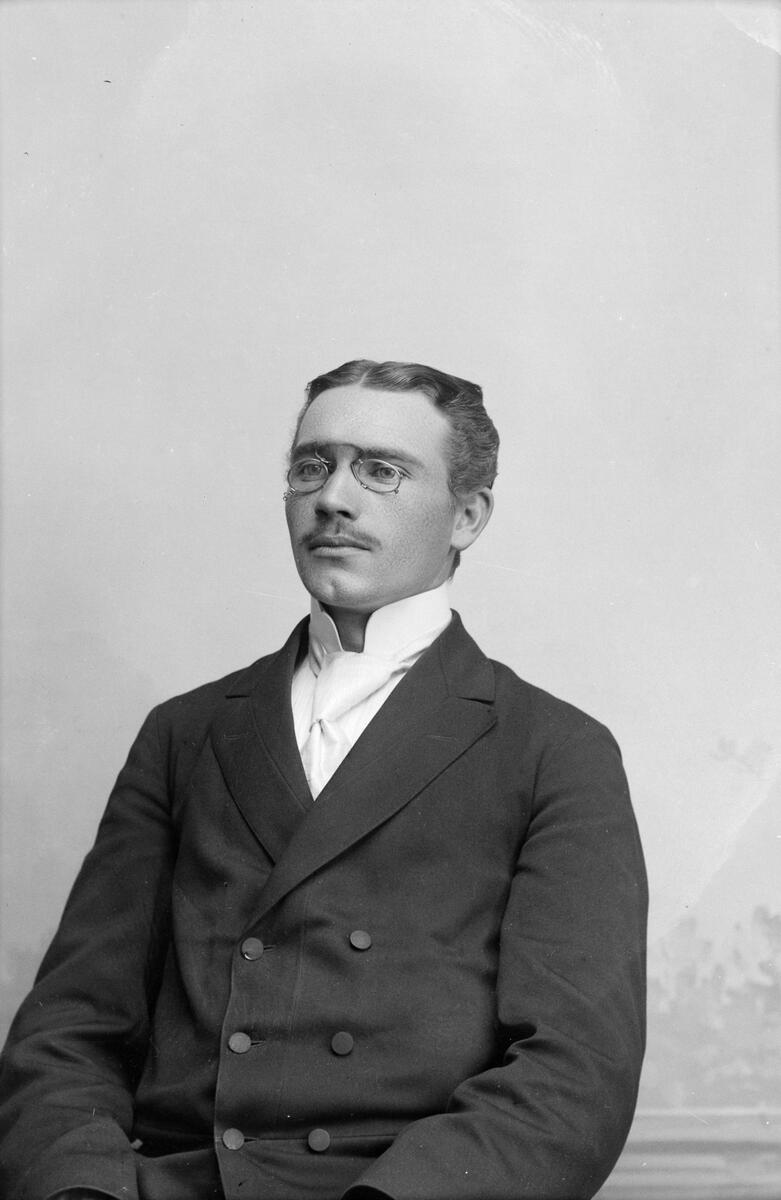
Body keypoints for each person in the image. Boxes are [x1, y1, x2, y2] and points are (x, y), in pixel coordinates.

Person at [0, 360, 647, 1200]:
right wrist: (81, 1190)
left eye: (381, 471)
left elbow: (572, 1077)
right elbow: (69, 1032)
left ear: (467, 516)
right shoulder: (186, 732)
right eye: (312, 466)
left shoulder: (553, 749)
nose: (333, 498)